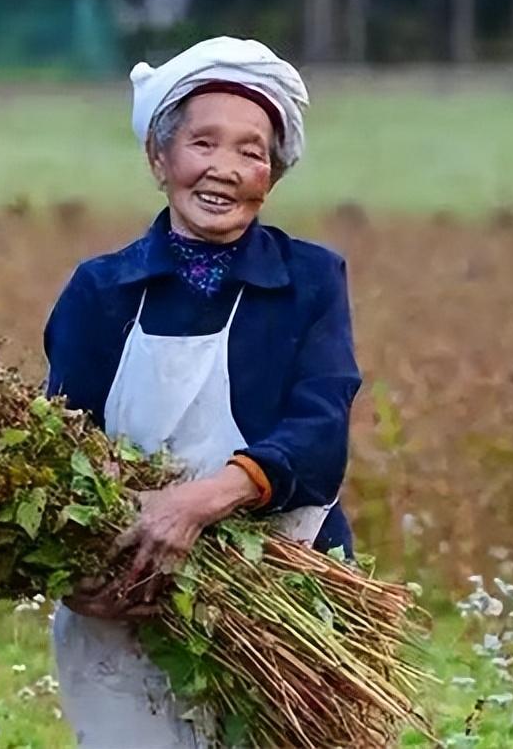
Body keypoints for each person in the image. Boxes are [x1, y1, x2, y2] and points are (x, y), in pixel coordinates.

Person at [43, 36, 361, 747]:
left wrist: (200, 500)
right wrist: (73, 576)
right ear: (160, 159)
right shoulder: (100, 292)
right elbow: (57, 456)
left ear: (272, 175)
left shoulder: (310, 280)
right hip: (131, 603)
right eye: (203, 143)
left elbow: (320, 429)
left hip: (285, 589)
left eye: (252, 151)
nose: (224, 169)